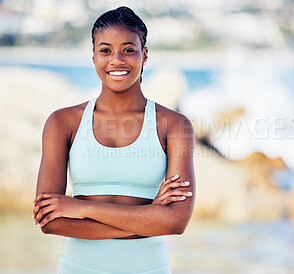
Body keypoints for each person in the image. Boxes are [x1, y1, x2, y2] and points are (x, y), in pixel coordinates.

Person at [32, 6, 195, 274]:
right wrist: (150, 216)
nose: (116, 60)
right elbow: (49, 221)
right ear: (93, 56)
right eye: (105, 50)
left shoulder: (174, 125)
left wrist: (78, 207)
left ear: (144, 55)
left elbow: (176, 223)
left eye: (128, 50)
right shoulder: (63, 123)